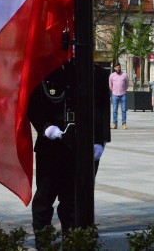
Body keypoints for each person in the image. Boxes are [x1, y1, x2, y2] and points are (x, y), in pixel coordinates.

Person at [28, 61, 110, 245]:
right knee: (45, 195)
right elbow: (32, 102)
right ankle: (44, 241)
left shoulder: (94, 72)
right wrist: (45, 127)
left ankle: (74, 239)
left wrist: (100, 140)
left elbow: (103, 106)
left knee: (75, 197)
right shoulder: (44, 68)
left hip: (83, 142)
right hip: (52, 143)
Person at [109, 62, 129, 129]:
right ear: (114, 68)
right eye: (117, 67)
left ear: (120, 67)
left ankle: (124, 124)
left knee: (123, 110)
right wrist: (114, 91)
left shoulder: (125, 75)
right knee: (114, 110)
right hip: (115, 95)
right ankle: (115, 124)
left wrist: (124, 90)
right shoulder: (112, 75)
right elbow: (110, 85)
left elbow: (127, 84)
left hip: (123, 94)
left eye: (119, 67)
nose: (118, 68)